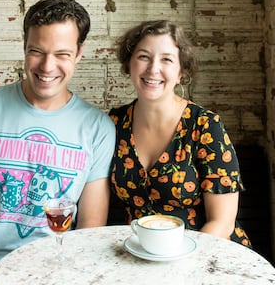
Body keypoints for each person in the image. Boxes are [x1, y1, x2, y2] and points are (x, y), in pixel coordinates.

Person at [0, 0, 116, 285]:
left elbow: (88, 232)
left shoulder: (98, 127)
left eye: (62, 54)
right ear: (24, 46)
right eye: (36, 51)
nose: (47, 66)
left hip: (55, 275)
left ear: (79, 53)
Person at [107, 20, 250, 247]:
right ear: (129, 63)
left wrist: (179, 265)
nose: (153, 69)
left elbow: (222, 223)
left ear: (181, 71)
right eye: (144, 56)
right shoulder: (114, 124)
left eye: (166, 59)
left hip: (207, 252)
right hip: (141, 252)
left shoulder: (204, 125)